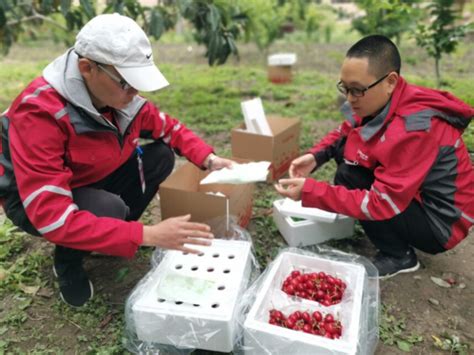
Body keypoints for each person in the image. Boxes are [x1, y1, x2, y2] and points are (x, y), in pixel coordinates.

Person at [0, 13, 234, 307]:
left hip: (89, 174)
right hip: (33, 199)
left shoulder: (122, 100)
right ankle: (68, 261)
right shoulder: (40, 114)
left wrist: (210, 160)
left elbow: (169, 128)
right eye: (126, 83)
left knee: (160, 156)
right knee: (105, 208)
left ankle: (111, 233)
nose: (135, 93)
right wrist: (147, 234)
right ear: (87, 68)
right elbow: (52, 215)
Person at [275, 35, 473, 279]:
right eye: (345, 88)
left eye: (357, 90)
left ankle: (399, 256)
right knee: (347, 156)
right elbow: (348, 128)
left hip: (441, 222)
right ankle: (388, 230)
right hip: (417, 194)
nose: (349, 98)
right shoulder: (388, 98)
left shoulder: (414, 129)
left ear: (390, 81)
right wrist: (316, 156)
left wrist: (310, 192)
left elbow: (382, 202)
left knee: (349, 176)